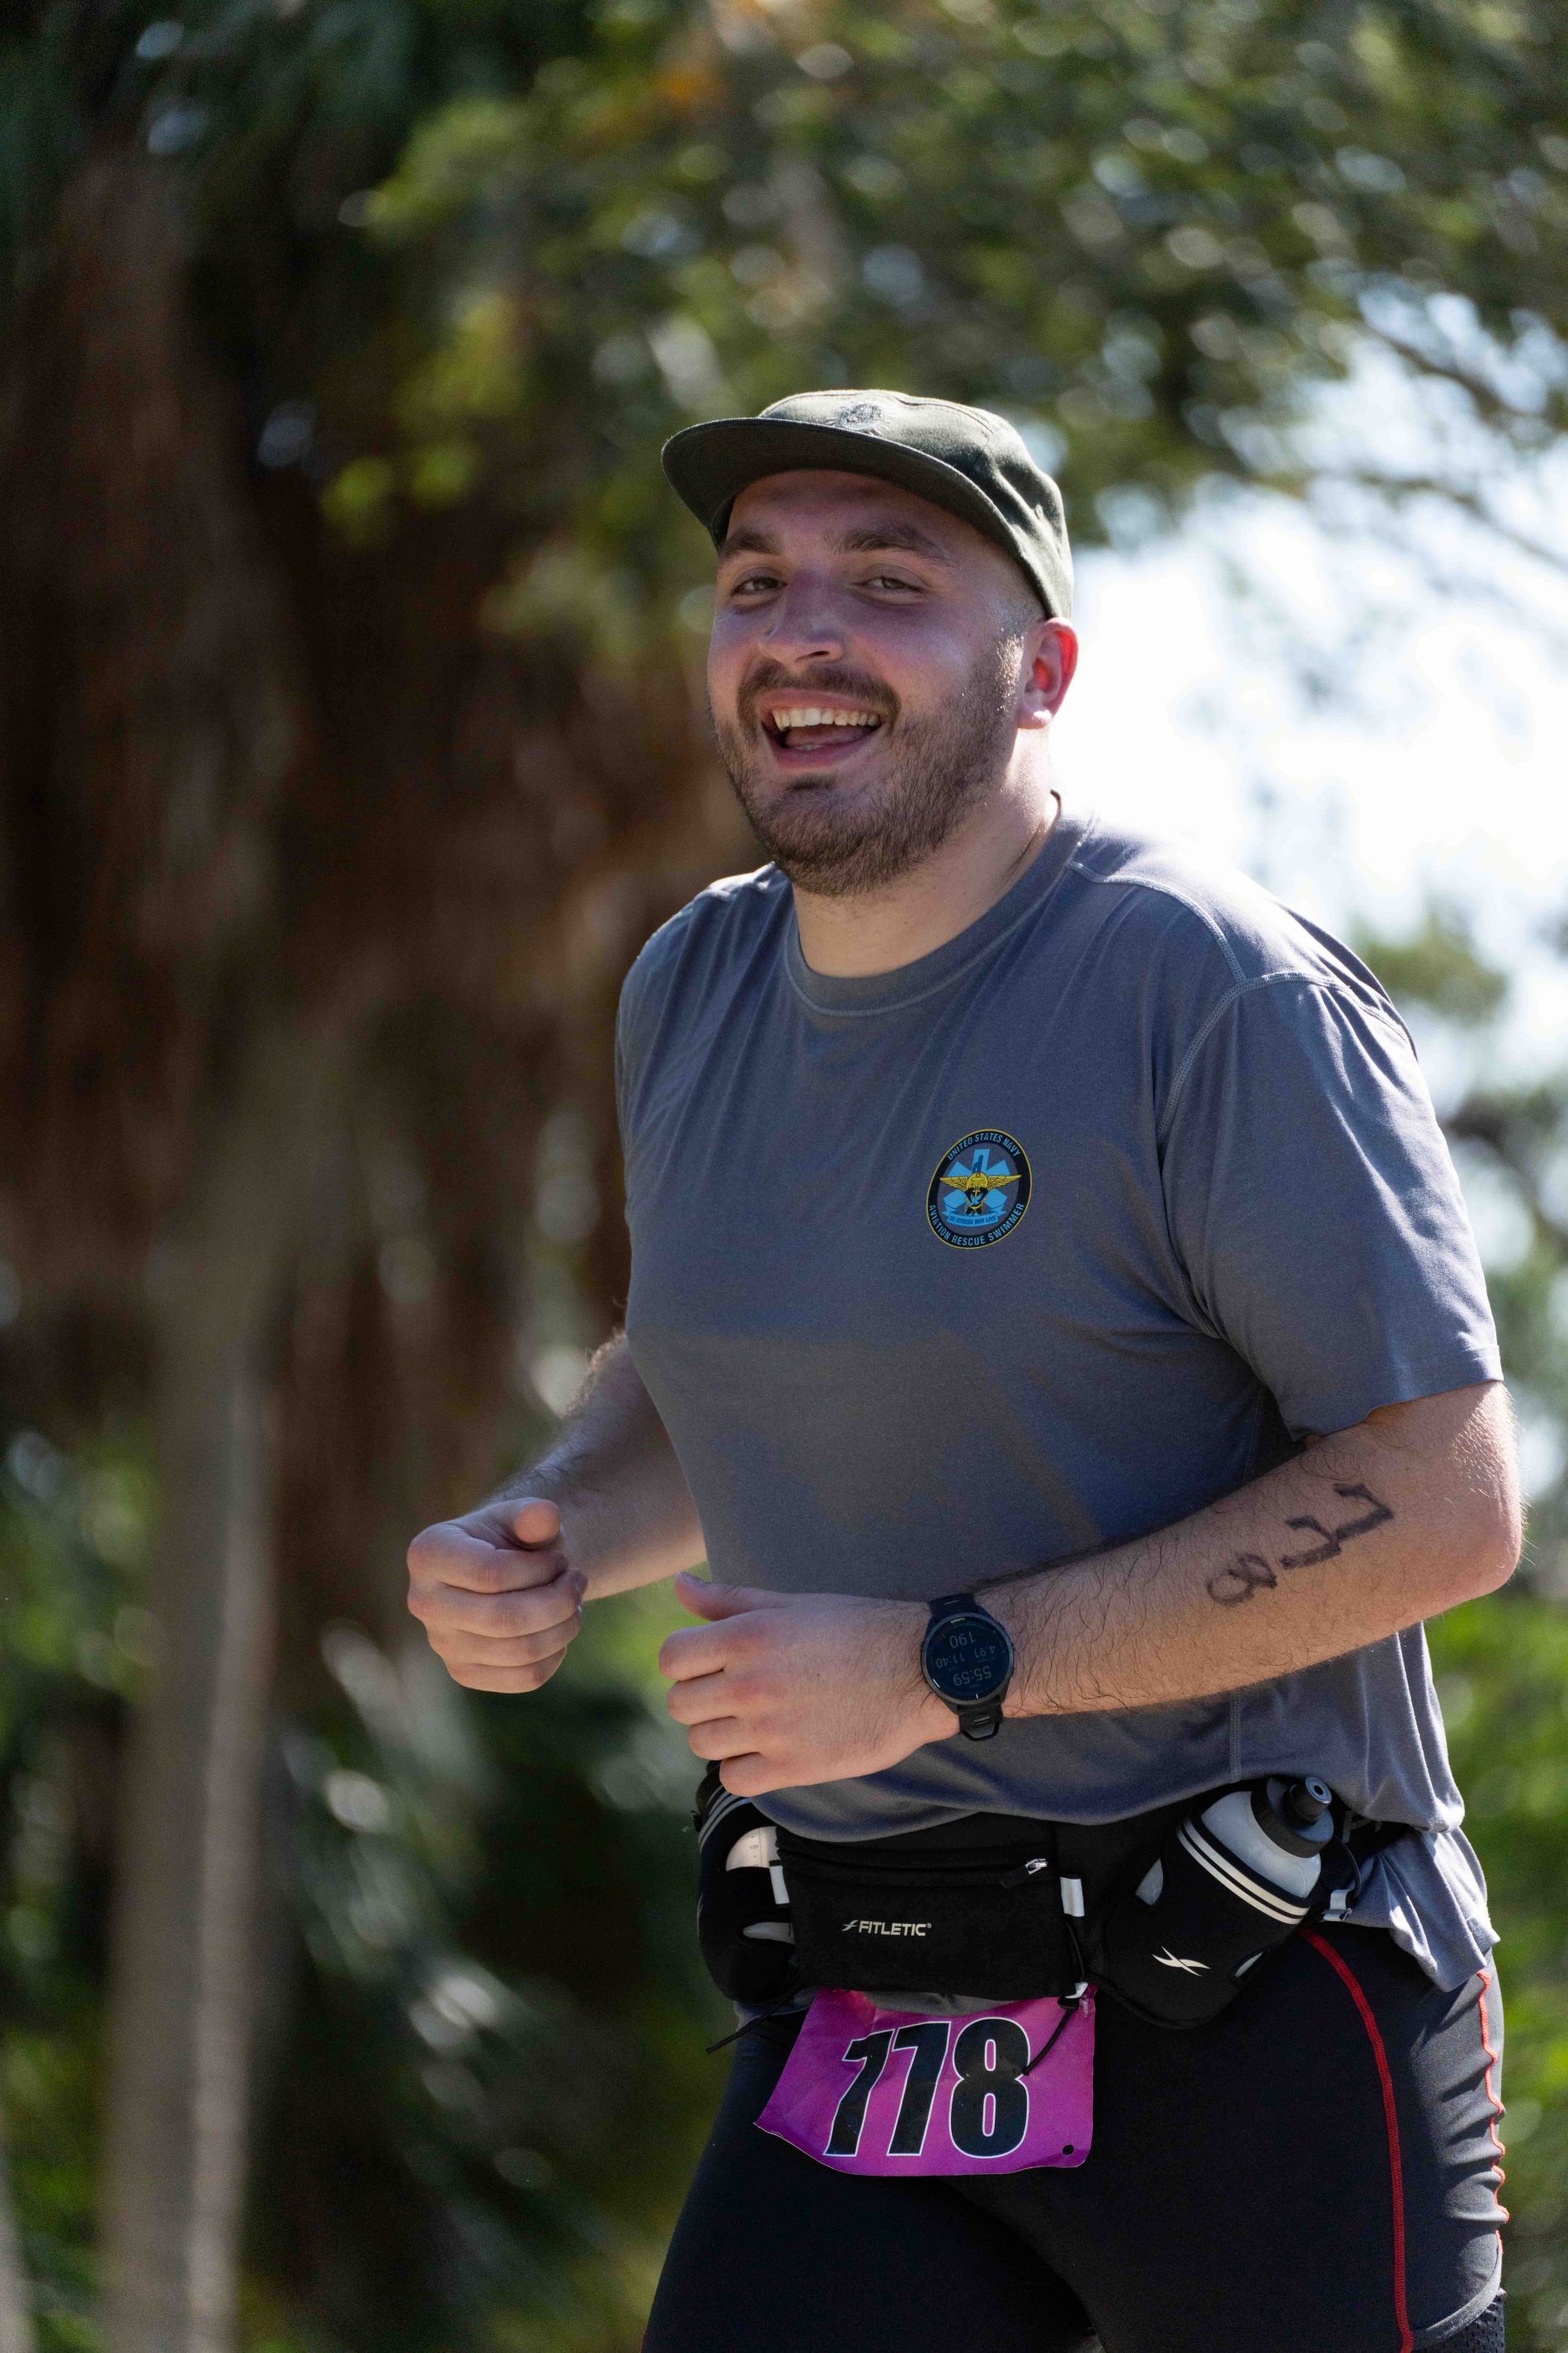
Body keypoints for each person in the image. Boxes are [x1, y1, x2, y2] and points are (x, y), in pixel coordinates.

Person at [407, 390, 1520, 2353]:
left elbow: (1447, 1495)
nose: (803, 632)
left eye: (889, 584)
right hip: (862, 1992)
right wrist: (551, 1526)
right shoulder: (692, 986)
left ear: (1044, 673)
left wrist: (946, 1663)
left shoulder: (1210, 983)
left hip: (1260, 1984)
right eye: (758, 583)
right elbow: (708, 1371)